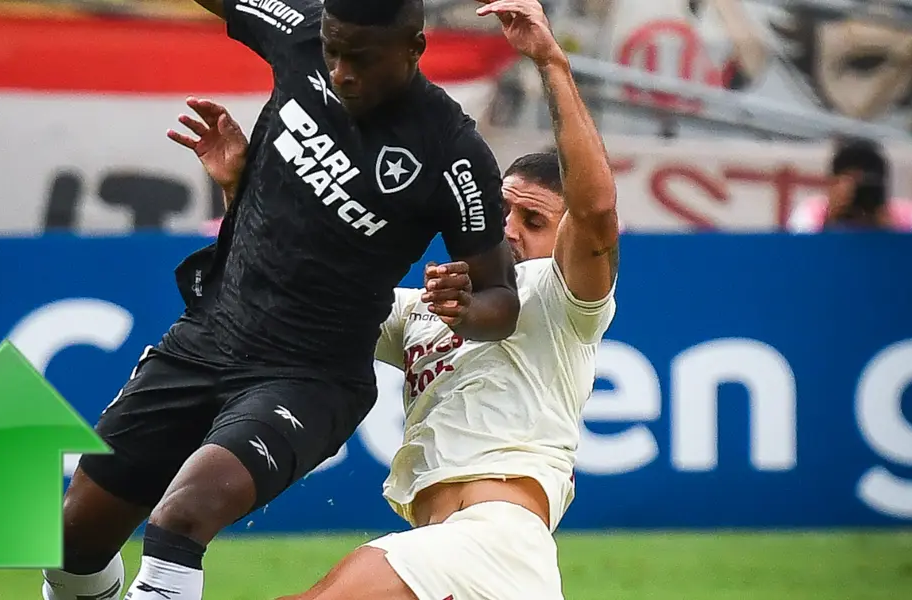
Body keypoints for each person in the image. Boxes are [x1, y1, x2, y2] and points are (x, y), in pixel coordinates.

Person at [43, 0, 522, 599]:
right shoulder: (297, 34)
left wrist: (466, 310)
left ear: (414, 48)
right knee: (68, 545)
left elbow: (501, 298)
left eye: (362, 58)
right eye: (333, 50)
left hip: (309, 379)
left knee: (180, 518)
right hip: (207, 338)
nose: (342, 71)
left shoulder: (452, 154)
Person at [171, 1, 618, 598]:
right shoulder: (425, 309)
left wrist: (550, 61)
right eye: (504, 209)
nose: (509, 227)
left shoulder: (561, 303)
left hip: (490, 542)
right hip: (463, 554)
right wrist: (240, 191)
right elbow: (293, 299)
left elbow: (595, 213)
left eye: (532, 219)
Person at [786, 137, 912, 232]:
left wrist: (892, 231)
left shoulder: (906, 215)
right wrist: (830, 219)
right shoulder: (811, 213)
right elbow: (801, 255)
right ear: (833, 184)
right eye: (852, 185)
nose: (859, 193)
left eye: (866, 185)